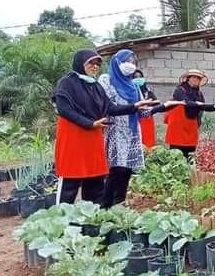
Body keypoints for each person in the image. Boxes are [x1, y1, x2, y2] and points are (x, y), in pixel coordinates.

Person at [52, 49, 155, 205]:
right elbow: (64, 109)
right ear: (80, 63)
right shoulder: (67, 83)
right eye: (91, 63)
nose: (94, 67)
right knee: (71, 180)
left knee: (95, 180)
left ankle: (92, 220)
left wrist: (135, 106)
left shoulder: (95, 86)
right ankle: (60, 222)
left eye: (97, 64)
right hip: (73, 137)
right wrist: (90, 123)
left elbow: (110, 108)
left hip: (93, 138)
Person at [98, 50, 179, 208]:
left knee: (127, 170)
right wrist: (134, 106)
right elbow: (108, 108)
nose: (131, 65)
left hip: (133, 132)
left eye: (134, 63)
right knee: (116, 170)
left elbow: (143, 112)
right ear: (117, 62)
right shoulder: (106, 80)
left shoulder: (133, 87)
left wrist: (163, 106)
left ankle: (119, 204)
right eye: (127, 61)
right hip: (115, 130)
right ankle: (105, 206)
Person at [165, 69, 215, 157]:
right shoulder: (179, 90)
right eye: (194, 77)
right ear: (188, 78)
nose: (196, 80)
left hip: (191, 124)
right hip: (178, 125)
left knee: (190, 152)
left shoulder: (199, 93)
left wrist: (213, 107)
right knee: (176, 153)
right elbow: (187, 102)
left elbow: (202, 107)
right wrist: (202, 105)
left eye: (198, 78)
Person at [132, 69, 158, 148]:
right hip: (136, 119)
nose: (138, 79)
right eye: (135, 77)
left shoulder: (147, 91)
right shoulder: (130, 92)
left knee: (148, 141)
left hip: (147, 119)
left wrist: (149, 104)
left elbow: (156, 102)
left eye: (140, 77)